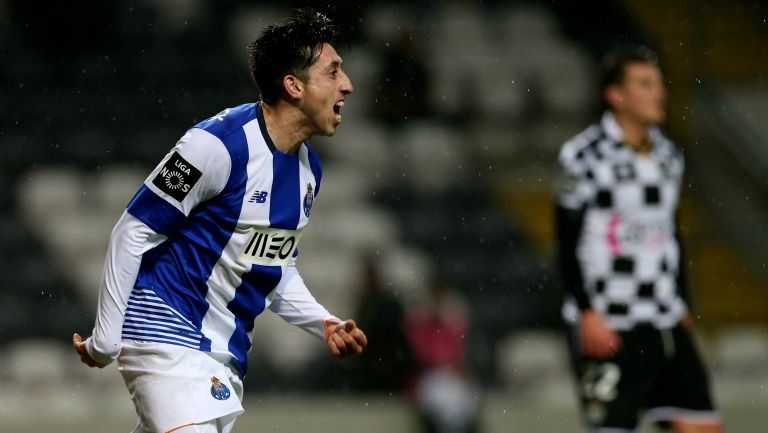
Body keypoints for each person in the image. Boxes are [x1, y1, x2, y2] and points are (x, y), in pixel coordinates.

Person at [71, 9, 367, 433]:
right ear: (294, 86)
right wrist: (105, 339)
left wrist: (323, 321)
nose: (348, 85)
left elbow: (272, 266)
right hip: (164, 335)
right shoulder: (213, 145)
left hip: (219, 358)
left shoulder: (308, 172)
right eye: (334, 71)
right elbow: (132, 230)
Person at [555, 47, 723, 433]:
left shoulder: (667, 155)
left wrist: (683, 299)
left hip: (663, 318)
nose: (659, 92)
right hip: (611, 323)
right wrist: (587, 312)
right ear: (616, 96)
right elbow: (566, 241)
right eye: (645, 84)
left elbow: (670, 231)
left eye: (659, 83)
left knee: (703, 427)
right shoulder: (583, 157)